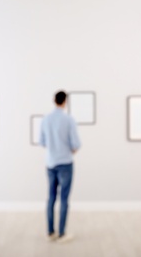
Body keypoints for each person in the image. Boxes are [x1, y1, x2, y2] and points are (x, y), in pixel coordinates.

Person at [39, 91, 81, 243]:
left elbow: (42, 142)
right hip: (65, 163)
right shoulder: (68, 119)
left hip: (50, 163)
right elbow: (76, 144)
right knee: (64, 199)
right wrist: (69, 150)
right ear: (65, 102)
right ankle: (62, 233)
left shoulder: (46, 119)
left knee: (51, 198)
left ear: (54, 100)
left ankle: (50, 232)